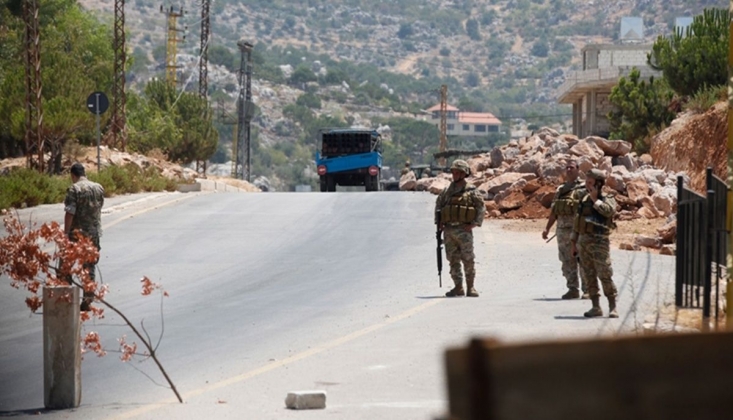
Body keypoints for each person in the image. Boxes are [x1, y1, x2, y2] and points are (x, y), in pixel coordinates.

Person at [570, 169, 618, 318]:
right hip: (583, 242)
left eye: (590, 182)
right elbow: (577, 222)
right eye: (586, 182)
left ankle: (612, 306)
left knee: (605, 274)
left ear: (598, 183)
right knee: (589, 275)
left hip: (599, 242)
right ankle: (595, 306)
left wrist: (595, 200)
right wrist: (574, 242)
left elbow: (609, 212)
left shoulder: (607, 198)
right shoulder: (583, 200)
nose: (587, 185)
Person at [435, 159, 486, 297]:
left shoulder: (471, 191)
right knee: (453, 260)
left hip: (464, 231)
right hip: (449, 231)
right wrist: (439, 223)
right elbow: (439, 206)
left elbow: (481, 208)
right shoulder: (447, 191)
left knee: (468, 259)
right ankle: (458, 287)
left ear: (464, 174)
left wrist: (474, 224)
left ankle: (471, 287)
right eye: (453, 172)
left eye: (458, 172)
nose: (455, 175)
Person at [542, 159, 587, 299]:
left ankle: (588, 290)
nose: (569, 170)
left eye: (572, 168)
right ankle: (572, 289)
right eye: (567, 168)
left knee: (583, 260)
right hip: (562, 231)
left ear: (578, 169)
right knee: (567, 260)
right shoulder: (561, 190)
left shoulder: (584, 188)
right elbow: (554, 211)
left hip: (579, 230)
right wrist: (547, 229)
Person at [64, 163, 105, 311]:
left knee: (66, 263)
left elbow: (70, 212)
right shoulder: (98, 188)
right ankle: (88, 298)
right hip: (93, 233)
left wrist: (65, 233)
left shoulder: (74, 189)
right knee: (89, 265)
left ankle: (65, 295)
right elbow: (99, 208)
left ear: (72, 175)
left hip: (77, 233)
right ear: (84, 173)